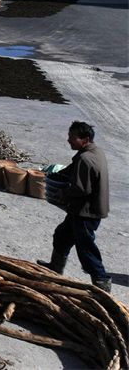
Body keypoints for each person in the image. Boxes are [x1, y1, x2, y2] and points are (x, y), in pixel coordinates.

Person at [37, 121, 111, 293]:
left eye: (72, 138)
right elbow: (73, 169)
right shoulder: (93, 152)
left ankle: (101, 286)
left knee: (86, 249)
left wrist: (62, 193)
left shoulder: (86, 158)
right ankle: (55, 270)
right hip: (79, 210)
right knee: (62, 235)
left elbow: (82, 188)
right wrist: (58, 174)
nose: (69, 140)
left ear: (85, 139)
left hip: (86, 212)